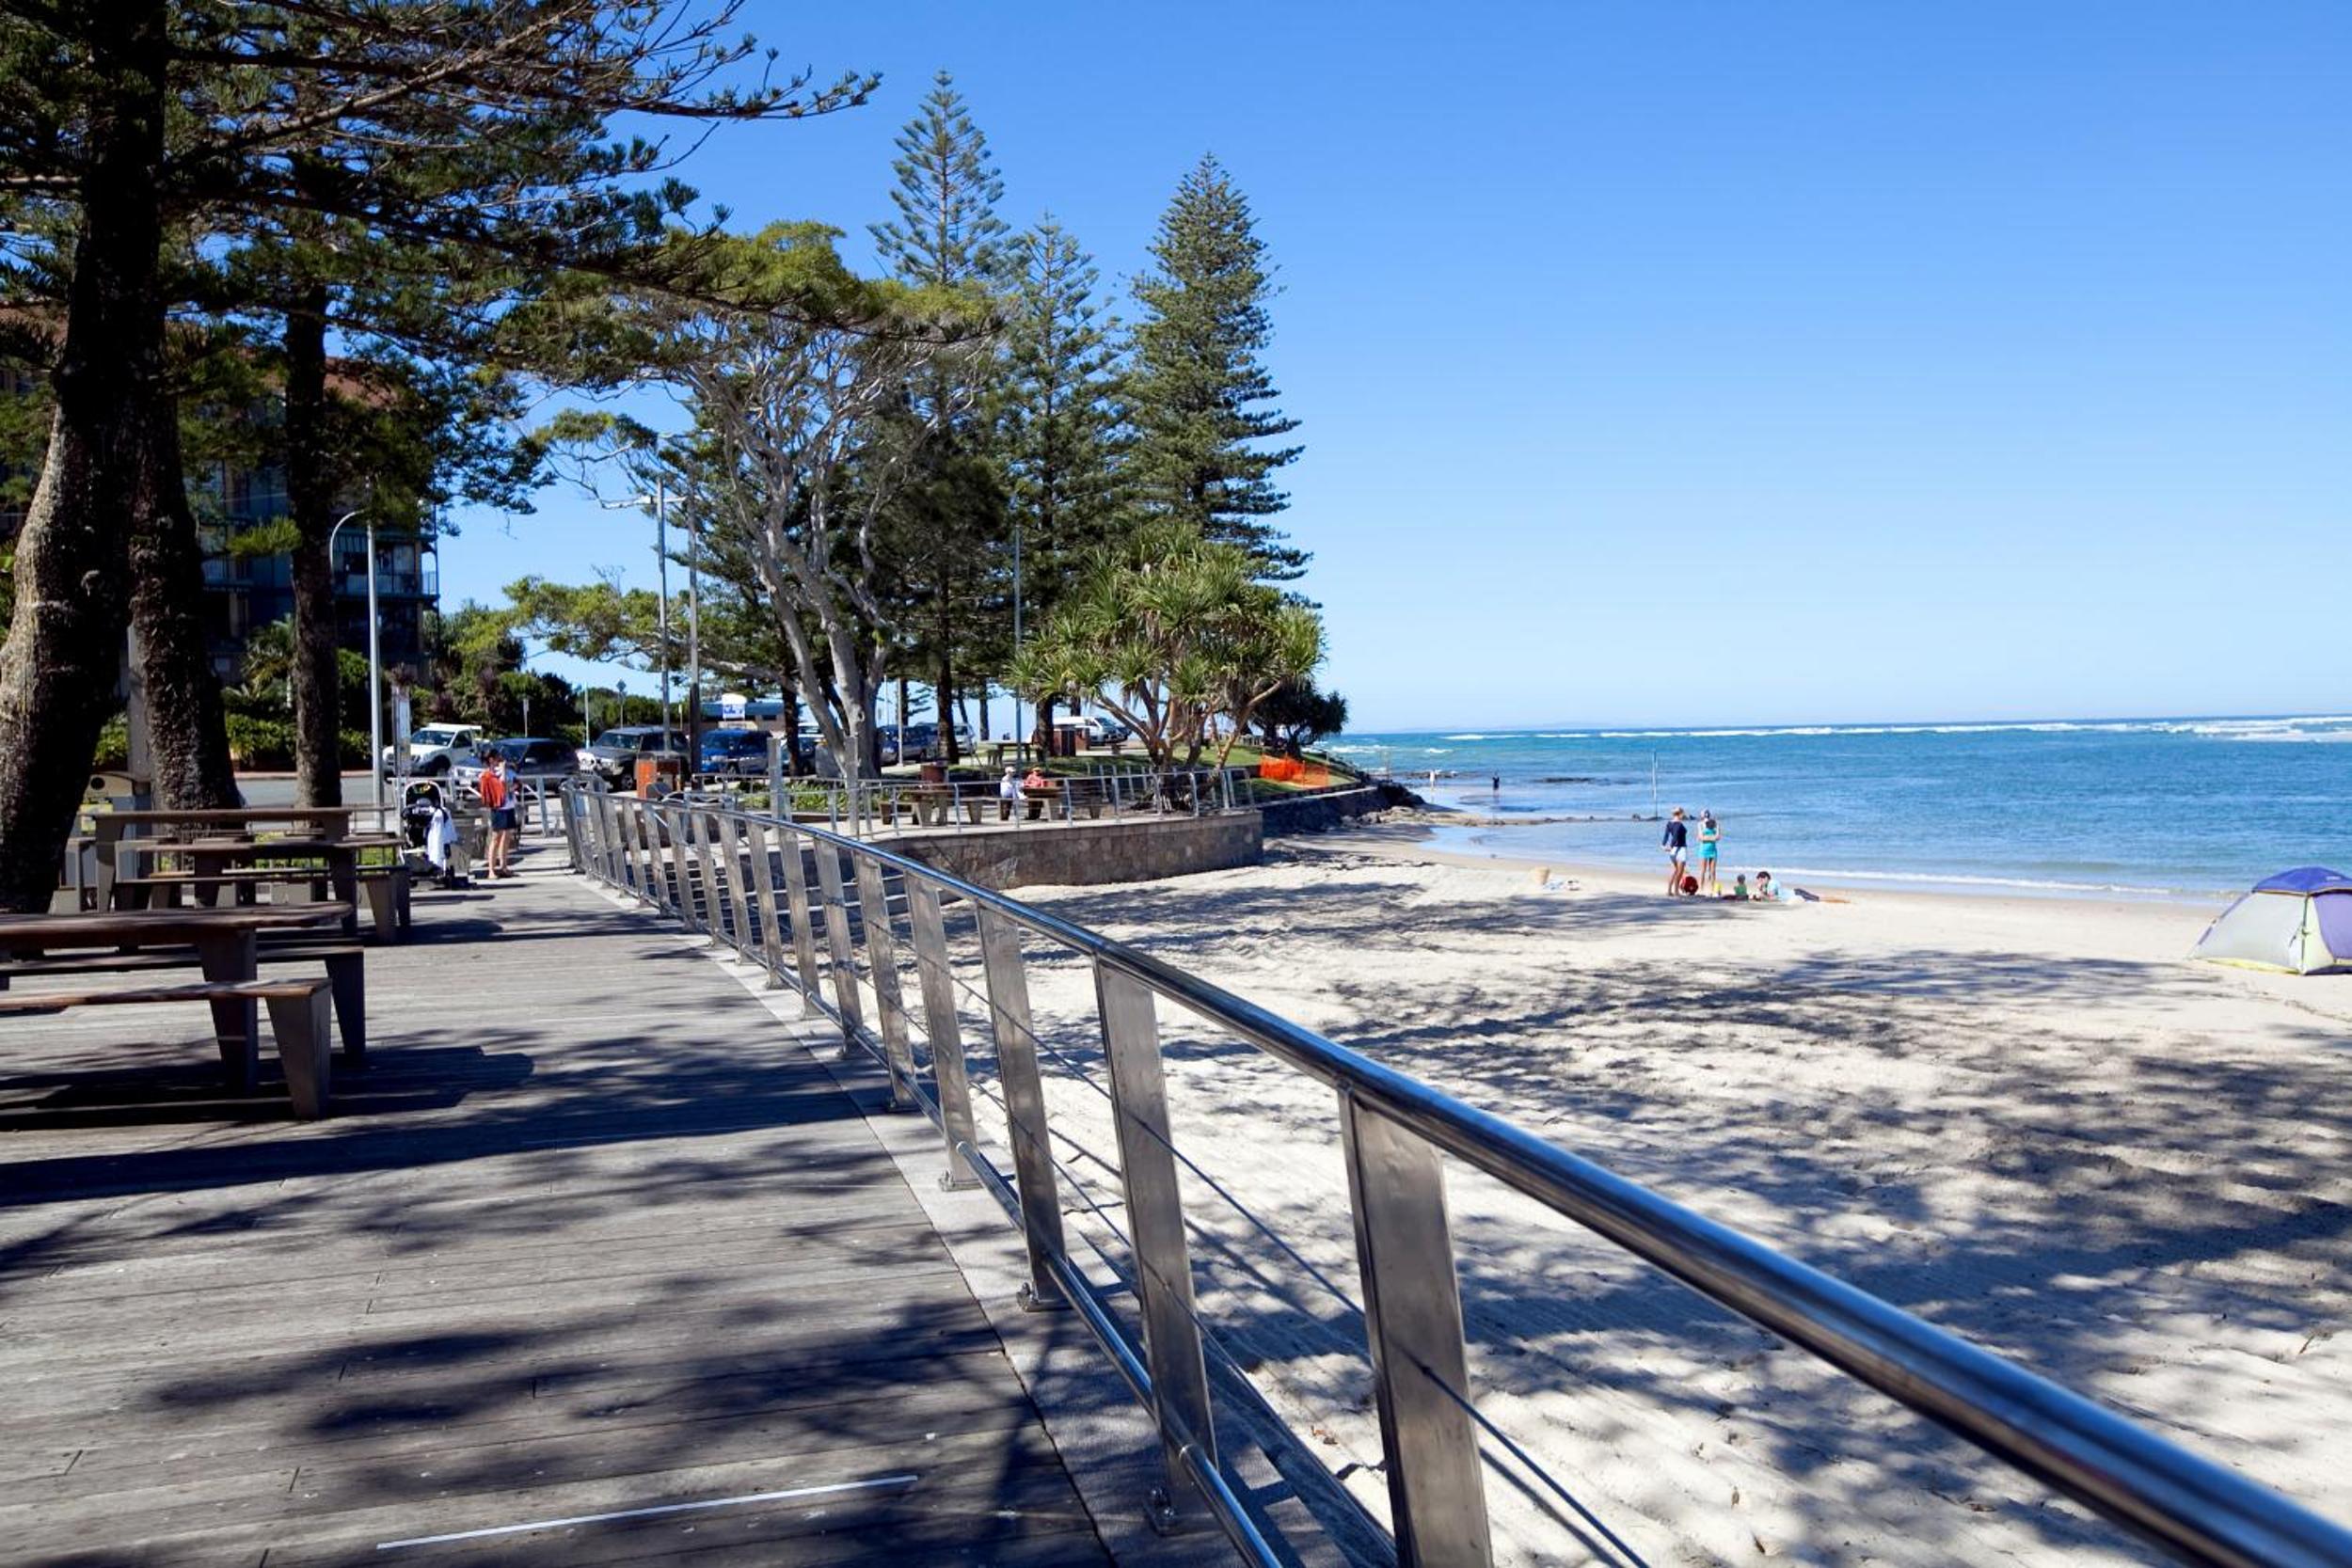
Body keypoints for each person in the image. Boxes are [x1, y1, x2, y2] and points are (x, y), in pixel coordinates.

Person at [477, 748, 515, 878]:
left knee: (507, 836)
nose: (501, 759)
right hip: (498, 808)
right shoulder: (487, 775)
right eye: (498, 757)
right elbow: (501, 786)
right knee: (496, 837)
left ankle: (504, 866)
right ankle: (491, 870)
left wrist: (512, 784)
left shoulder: (506, 771)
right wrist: (503, 773)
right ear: (491, 760)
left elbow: (515, 784)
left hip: (509, 806)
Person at [1661, 806, 1689, 896]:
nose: (1683, 815)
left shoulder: (1669, 823)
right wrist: (1671, 846)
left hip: (1673, 851)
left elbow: (1666, 835)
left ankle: (1669, 890)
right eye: (1683, 813)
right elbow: (1675, 836)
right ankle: (1676, 891)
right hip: (1680, 849)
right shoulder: (1679, 824)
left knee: (1674, 870)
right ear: (1679, 814)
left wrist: (1663, 845)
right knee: (1679, 872)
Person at [1696, 810, 1721, 895]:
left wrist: (1707, 838)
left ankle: (1712, 889)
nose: (1706, 815)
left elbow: (1718, 837)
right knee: (1703, 870)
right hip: (1703, 850)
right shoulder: (1700, 824)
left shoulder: (1715, 824)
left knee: (1713, 871)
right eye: (1704, 814)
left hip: (1713, 850)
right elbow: (1700, 838)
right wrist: (1712, 838)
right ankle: (1701, 889)